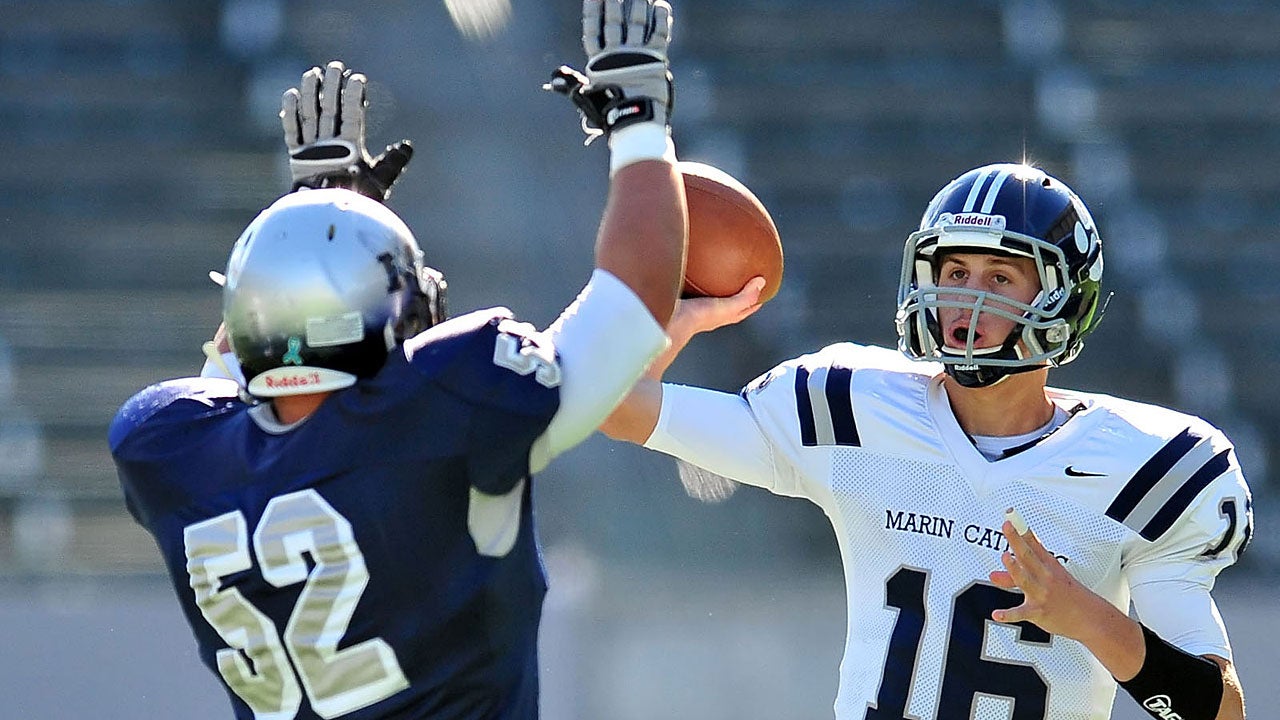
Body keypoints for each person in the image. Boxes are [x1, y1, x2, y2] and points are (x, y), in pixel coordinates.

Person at [109, 0, 685, 716]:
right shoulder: (444, 413)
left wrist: (315, 221)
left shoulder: (166, 447)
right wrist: (638, 122)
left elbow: (237, 360)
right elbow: (632, 307)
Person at [602, 163, 1251, 720]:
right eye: (956, 272)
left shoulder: (1150, 469)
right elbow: (615, 406)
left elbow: (1221, 710)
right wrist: (679, 314)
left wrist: (1087, 617)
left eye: (1000, 278)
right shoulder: (851, 409)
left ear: (1061, 297)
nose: (968, 299)